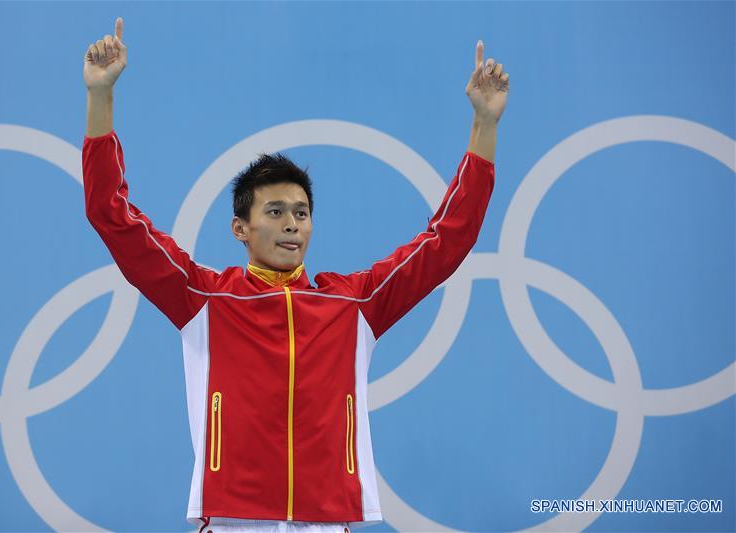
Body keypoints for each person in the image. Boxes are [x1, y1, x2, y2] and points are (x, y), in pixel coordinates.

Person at [82, 16, 508, 533]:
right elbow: (111, 214)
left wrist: (484, 125)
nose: (291, 225)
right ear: (240, 227)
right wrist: (100, 99)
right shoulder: (205, 299)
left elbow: (449, 239)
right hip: (236, 519)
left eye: (301, 213)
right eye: (276, 211)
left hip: (328, 520)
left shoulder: (353, 304)